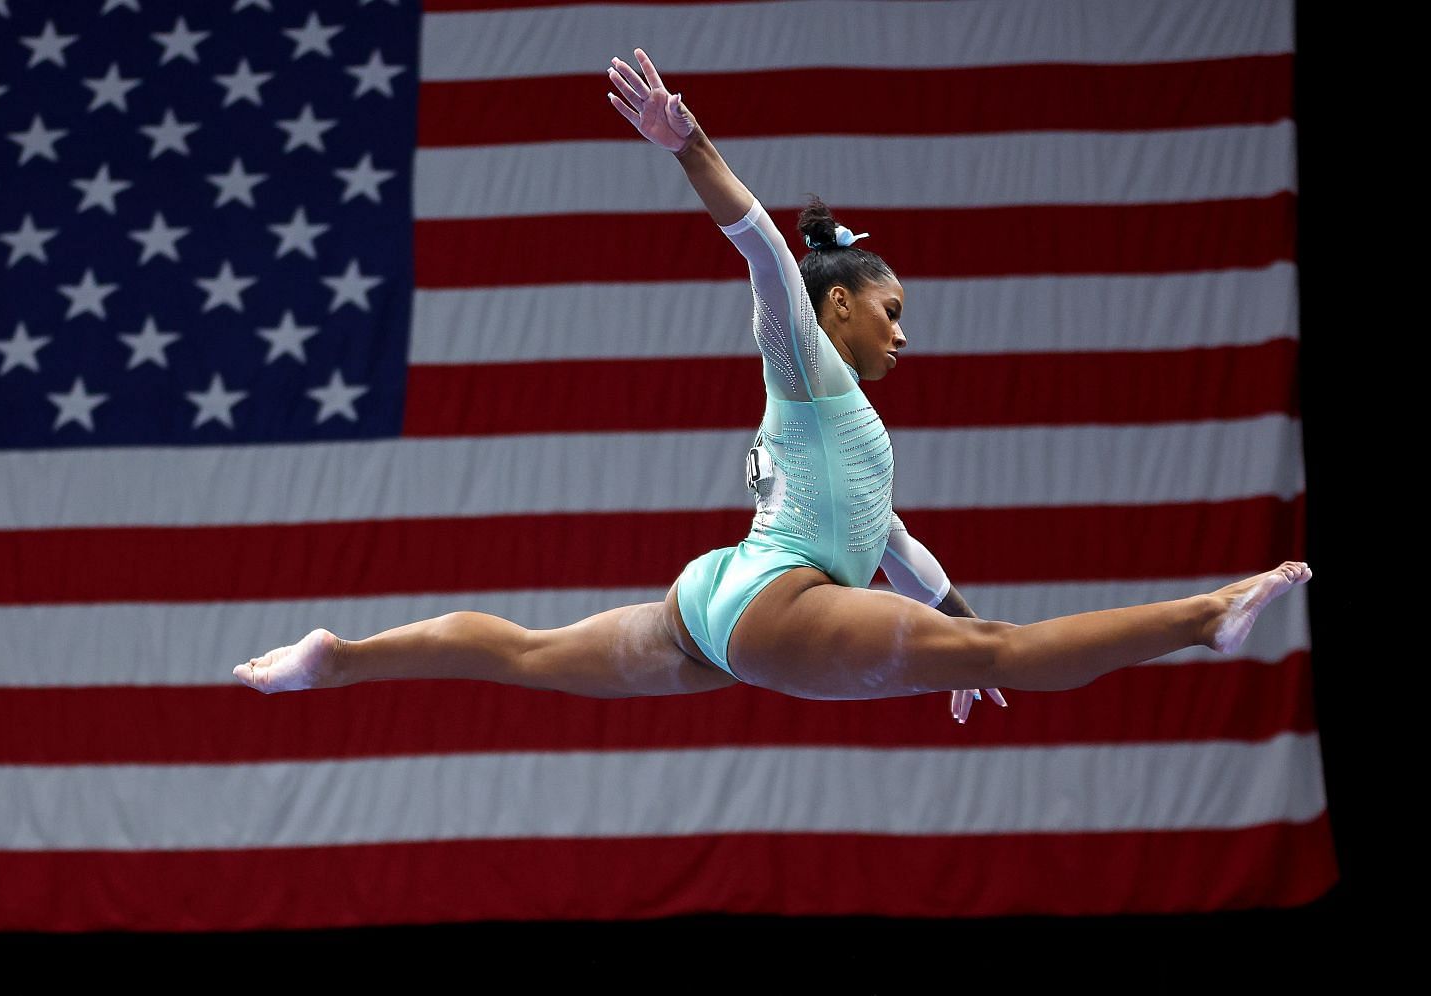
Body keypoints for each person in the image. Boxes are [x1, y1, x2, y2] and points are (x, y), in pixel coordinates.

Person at [233, 48, 1310, 723]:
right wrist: (688, 143)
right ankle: (1208, 613)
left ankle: (342, 659)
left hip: (719, 597)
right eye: (890, 311)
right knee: (1009, 655)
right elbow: (760, 248)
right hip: (769, 600)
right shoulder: (806, 364)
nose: (901, 335)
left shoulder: (846, 425)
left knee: (525, 653)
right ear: (838, 305)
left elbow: (895, 547)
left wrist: (957, 621)